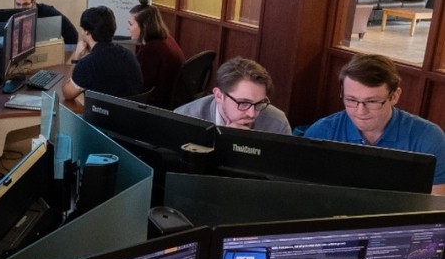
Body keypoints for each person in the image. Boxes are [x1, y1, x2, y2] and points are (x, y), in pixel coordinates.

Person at [304, 53, 445, 195]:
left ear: (394, 96)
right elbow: (305, 193)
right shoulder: (320, 133)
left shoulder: (429, 138)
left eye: (372, 101)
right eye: (351, 100)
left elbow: (436, 202)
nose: (360, 111)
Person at [174, 57, 291, 134]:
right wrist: (226, 143)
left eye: (260, 103)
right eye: (244, 103)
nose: (252, 114)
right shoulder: (184, 121)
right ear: (219, 96)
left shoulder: (277, 124)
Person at [63, 6, 144, 101]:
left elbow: (67, 93)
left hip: (102, 110)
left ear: (87, 32)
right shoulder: (129, 55)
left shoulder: (88, 64)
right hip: (128, 110)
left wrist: (76, 58)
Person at [128, 0, 185, 109]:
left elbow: (142, 88)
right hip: (173, 97)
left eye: (131, 24)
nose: (128, 28)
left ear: (144, 26)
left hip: (159, 104)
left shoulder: (152, 50)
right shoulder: (166, 38)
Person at [13, 0, 79, 45]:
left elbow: (72, 34)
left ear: (34, 3)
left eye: (26, 4)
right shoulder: (11, 17)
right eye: (18, 4)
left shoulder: (48, 12)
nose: (21, 9)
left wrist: (68, 54)